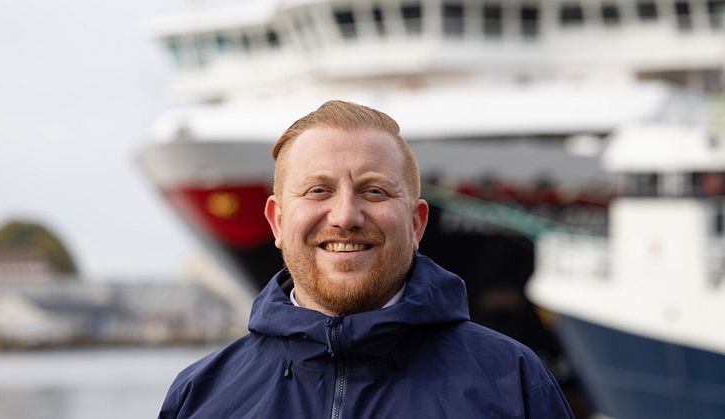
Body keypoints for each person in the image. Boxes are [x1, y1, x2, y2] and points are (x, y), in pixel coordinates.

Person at [158, 100, 575, 418]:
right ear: (278, 221)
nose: (345, 217)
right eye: (318, 190)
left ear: (416, 223)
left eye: (374, 191)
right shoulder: (201, 394)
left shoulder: (514, 381)